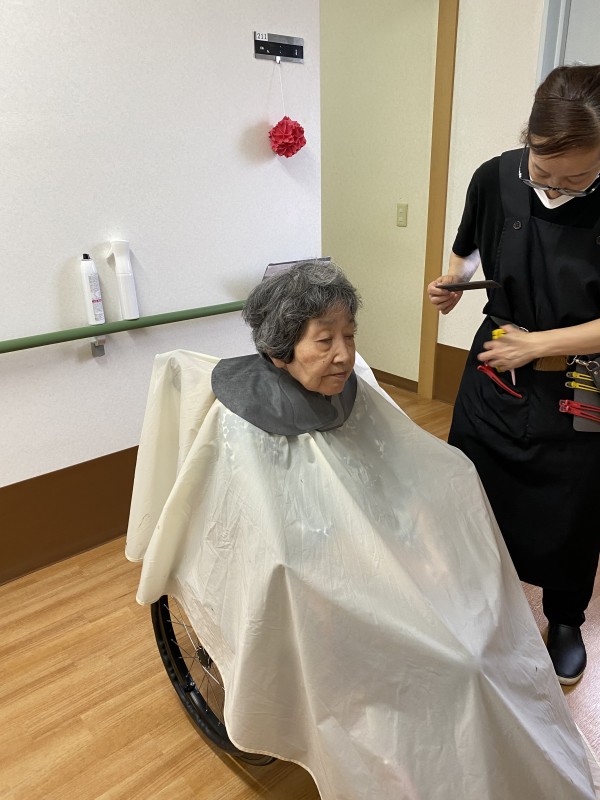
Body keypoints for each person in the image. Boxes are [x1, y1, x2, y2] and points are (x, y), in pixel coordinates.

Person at [127, 260, 597, 799]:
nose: (344, 355)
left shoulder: (356, 388)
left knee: (479, 652)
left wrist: (431, 515)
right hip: (325, 576)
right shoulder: (242, 421)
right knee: (456, 667)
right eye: (324, 340)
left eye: (349, 336)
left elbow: (405, 466)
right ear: (281, 348)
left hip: (386, 558)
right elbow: (262, 537)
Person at [427, 64, 600, 686]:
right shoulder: (496, 176)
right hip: (496, 364)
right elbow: (468, 245)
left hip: (584, 380)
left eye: (577, 178)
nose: (555, 187)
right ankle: (475, 603)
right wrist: (453, 281)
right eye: (543, 170)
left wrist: (540, 345)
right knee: (473, 484)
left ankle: (564, 618)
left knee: (575, 505)